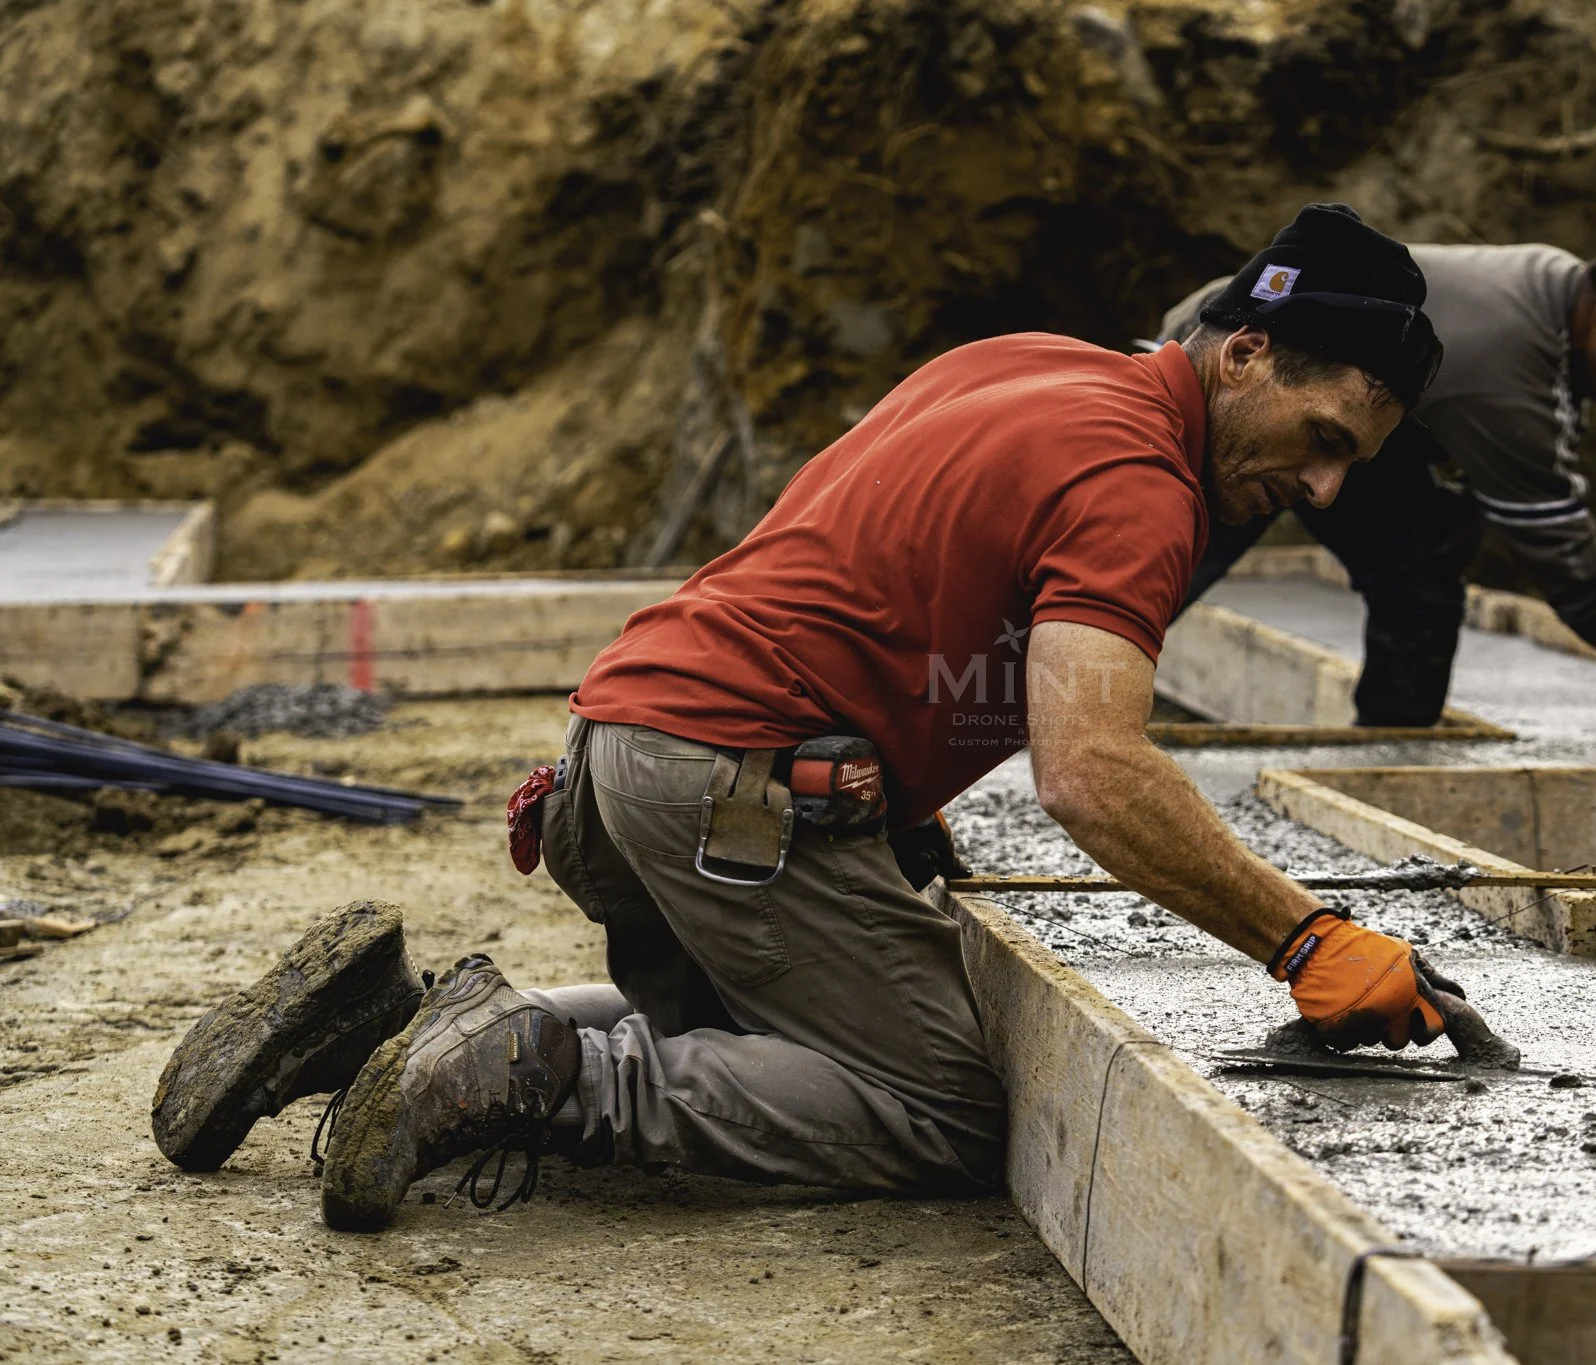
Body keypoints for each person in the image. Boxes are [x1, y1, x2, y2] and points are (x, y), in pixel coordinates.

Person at [151, 204, 1476, 1232]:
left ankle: (385, 1025)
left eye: (1348, 463)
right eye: (1321, 435)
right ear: (1244, 350)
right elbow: (1094, 770)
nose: (1321, 483)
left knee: (755, 1053)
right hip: (723, 793)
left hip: (618, 757)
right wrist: (1304, 937)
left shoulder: (1030, 366)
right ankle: (533, 1068)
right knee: (943, 1108)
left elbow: (866, 574)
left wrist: (905, 786)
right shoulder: (1142, 485)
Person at [1160, 237, 1596, 730]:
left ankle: (1389, 759)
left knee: (1422, 566)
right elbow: (1574, 572)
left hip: (1344, 411)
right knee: (1164, 559)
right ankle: (1076, 706)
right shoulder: (1511, 365)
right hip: (1239, 380)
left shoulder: (1556, 292)